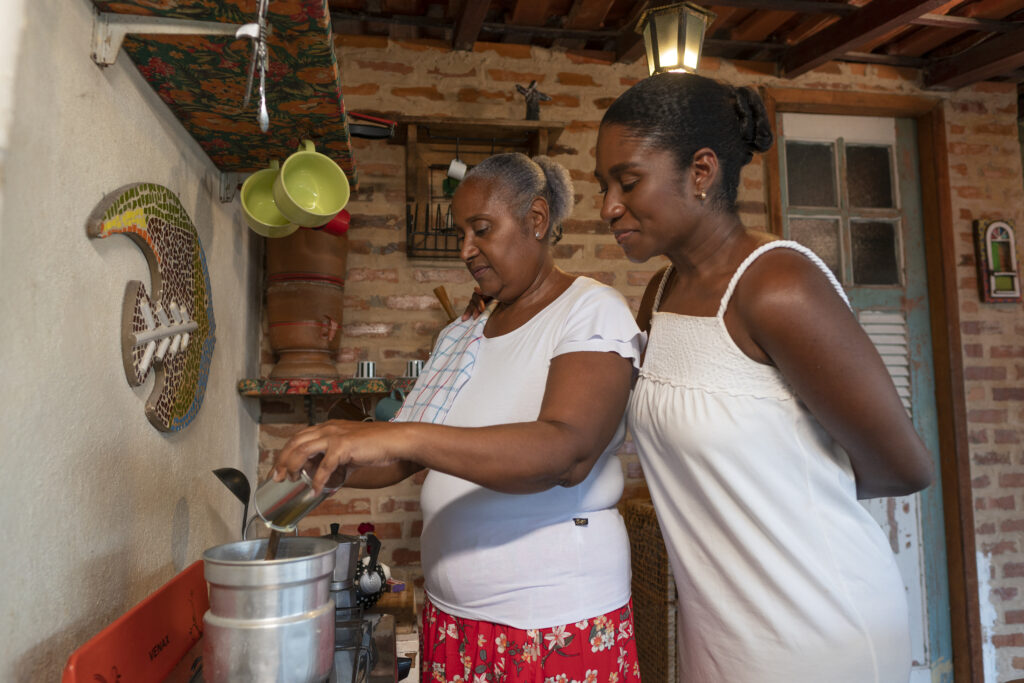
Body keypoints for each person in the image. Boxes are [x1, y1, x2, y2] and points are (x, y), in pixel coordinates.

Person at [594, 73, 934, 683]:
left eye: (628, 181)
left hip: (817, 628)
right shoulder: (660, 296)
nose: (607, 206)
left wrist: (792, 493)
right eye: (603, 186)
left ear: (701, 172)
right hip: (720, 636)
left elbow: (904, 466)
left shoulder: (778, 287)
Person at [273, 153, 644, 683]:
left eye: (482, 229)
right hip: (454, 620)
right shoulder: (461, 335)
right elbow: (400, 455)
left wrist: (400, 435)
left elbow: (566, 452)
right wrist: (330, 461)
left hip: (550, 624)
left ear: (536, 220)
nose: (466, 249)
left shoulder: (590, 311)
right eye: (461, 232)